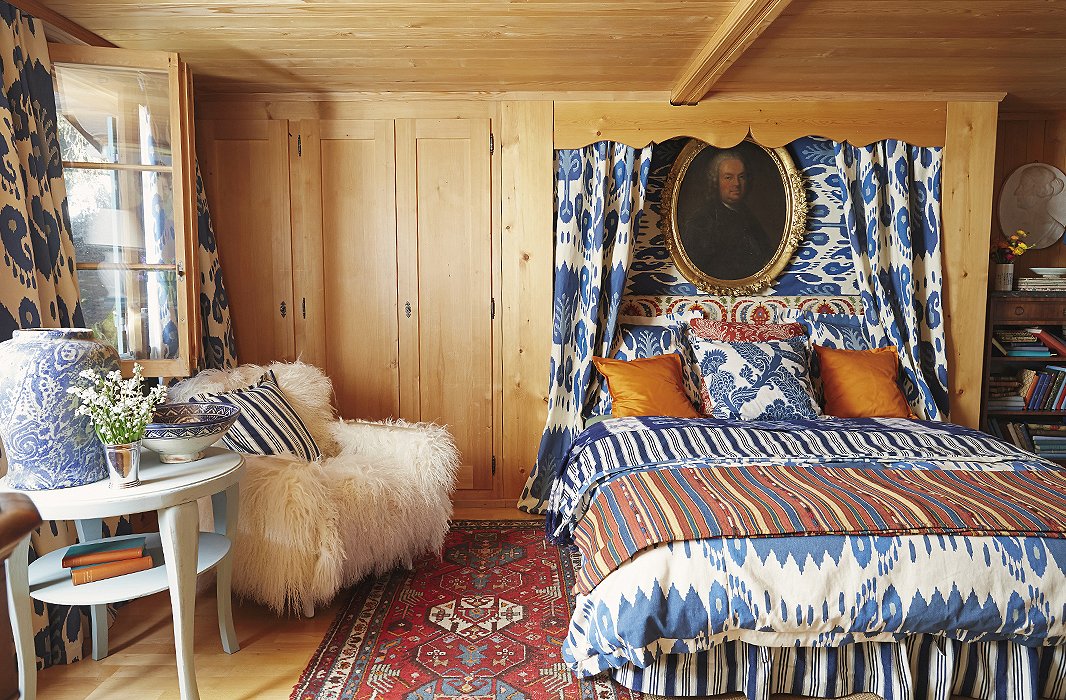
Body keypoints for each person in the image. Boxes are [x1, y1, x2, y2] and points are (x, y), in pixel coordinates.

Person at [678, 148, 777, 280]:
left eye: (741, 177)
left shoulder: (748, 216)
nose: (736, 183)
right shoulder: (701, 221)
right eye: (728, 177)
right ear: (715, 181)